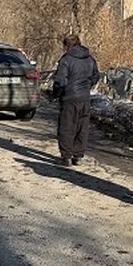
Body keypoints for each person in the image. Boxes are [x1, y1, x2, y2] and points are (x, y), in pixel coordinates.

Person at [51, 34, 100, 167]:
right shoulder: (89, 58)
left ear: (66, 45)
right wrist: (87, 85)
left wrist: (56, 94)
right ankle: (78, 155)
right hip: (84, 98)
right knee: (81, 127)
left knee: (67, 127)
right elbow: (96, 75)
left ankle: (66, 157)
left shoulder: (66, 60)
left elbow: (60, 81)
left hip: (69, 97)